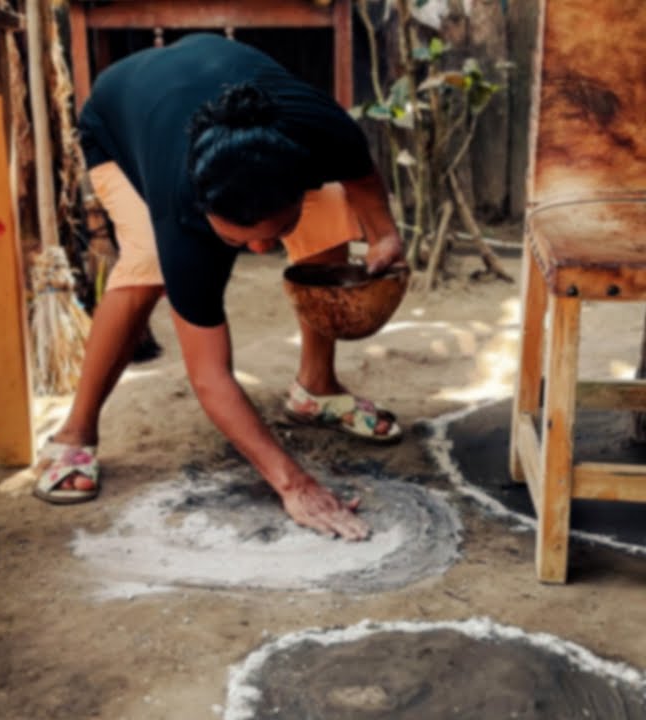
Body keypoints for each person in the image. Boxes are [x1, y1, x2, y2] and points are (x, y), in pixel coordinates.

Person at [32, 34, 406, 541]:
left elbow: (361, 180)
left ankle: (316, 388)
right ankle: (75, 430)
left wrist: (384, 237)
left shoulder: (322, 129)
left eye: (270, 237)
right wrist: (292, 483)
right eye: (240, 240)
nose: (257, 254)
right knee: (147, 265)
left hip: (226, 102)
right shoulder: (180, 211)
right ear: (205, 212)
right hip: (120, 119)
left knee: (330, 218)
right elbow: (210, 375)